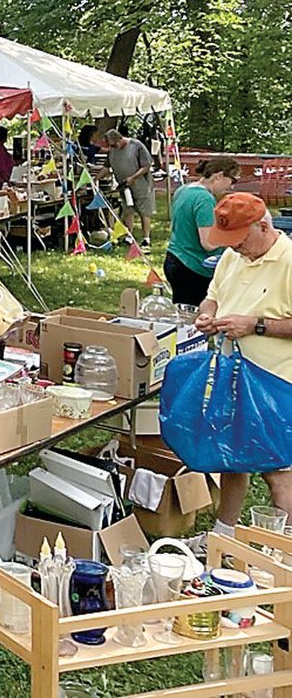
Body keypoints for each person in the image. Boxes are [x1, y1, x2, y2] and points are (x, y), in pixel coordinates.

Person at [193, 194, 292, 525]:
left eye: (239, 239)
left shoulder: (289, 261)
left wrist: (255, 325)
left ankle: (283, 553)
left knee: (277, 472)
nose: (233, 248)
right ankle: (224, 537)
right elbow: (212, 299)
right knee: (231, 459)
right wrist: (207, 316)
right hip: (232, 374)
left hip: (276, 384)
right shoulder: (231, 258)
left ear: (263, 226)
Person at [165, 157, 240, 306]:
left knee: (182, 314)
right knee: (196, 320)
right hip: (193, 267)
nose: (231, 187)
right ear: (219, 176)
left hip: (174, 259)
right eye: (232, 180)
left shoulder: (183, 189)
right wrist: (233, 238)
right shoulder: (204, 198)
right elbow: (208, 243)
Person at [106, 128, 156, 247]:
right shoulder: (112, 150)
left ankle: (146, 238)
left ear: (119, 138)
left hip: (140, 184)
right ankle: (129, 236)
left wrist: (133, 177)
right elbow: (106, 166)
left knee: (144, 211)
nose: (114, 147)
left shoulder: (136, 146)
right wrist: (95, 179)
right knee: (128, 210)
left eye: (115, 144)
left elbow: (146, 165)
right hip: (124, 186)